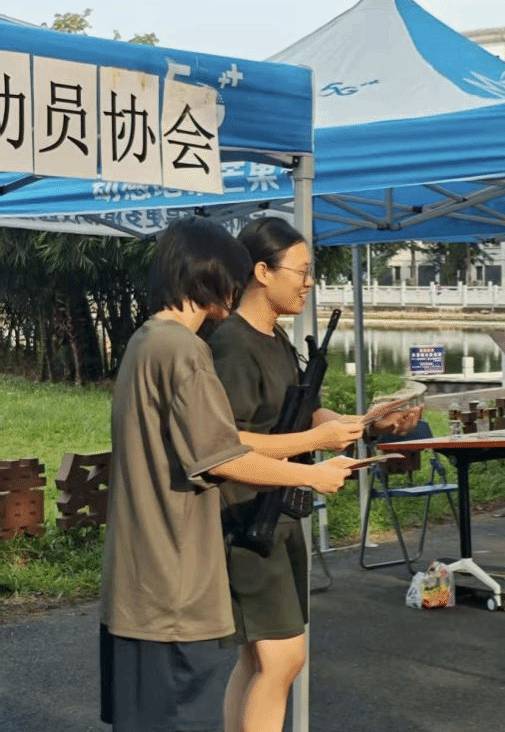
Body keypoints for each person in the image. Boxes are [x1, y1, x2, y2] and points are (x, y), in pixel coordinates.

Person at [99, 217, 351, 732]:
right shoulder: (184, 349)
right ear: (209, 274)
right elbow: (222, 456)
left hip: (138, 584)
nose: (236, 292)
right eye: (233, 278)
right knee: (185, 712)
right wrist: (311, 475)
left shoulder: (145, 341)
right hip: (172, 582)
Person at [207, 217, 420, 732]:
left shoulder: (275, 337)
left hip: (276, 509)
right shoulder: (233, 344)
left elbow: (306, 412)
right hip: (245, 516)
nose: (309, 282)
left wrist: (365, 424)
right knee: (283, 659)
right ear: (262, 271)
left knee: (259, 661)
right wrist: (313, 446)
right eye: (301, 272)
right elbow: (224, 443)